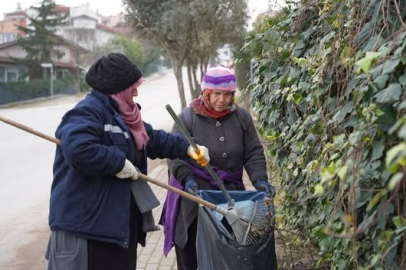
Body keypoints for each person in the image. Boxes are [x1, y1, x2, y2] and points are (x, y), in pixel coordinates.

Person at [45, 53, 210, 270]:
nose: (136, 91)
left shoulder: (123, 115)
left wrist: (189, 148)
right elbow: (79, 149)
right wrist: (117, 162)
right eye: (132, 86)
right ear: (118, 88)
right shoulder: (86, 112)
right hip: (87, 231)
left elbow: (153, 139)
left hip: (116, 229)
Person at [160, 66, 277, 270]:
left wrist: (260, 179)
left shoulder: (241, 118)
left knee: (230, 258)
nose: (222, 100)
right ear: (206, 92)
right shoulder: (187, 118)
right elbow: (175, 157)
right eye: (216, 94)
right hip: (194, 202)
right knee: (194, 259)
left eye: (227, 94)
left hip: (231, 200)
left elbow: (253, 152)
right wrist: (187, 179)